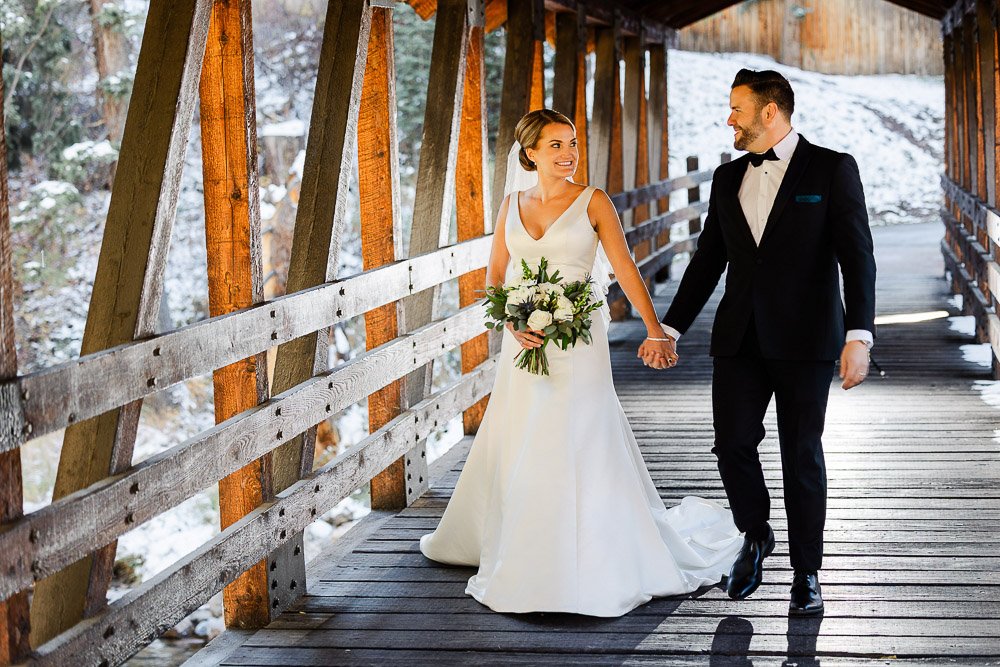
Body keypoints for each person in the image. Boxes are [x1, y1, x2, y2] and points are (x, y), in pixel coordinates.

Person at [419, 109, 743, 616]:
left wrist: (656, 329)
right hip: (525, 341)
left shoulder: (593, 201)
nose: (569, 154)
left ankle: (595, 549)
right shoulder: (511, 204)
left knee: (582, 431)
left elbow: (624, 268)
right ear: (530, 154)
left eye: (572, 144)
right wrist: (512, 322)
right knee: (526, 431)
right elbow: (497, 274)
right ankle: (524, 543)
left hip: (580, 337)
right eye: (556, 146)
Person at [657, 69, 877, 616]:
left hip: (807, 339)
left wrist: (860, 336)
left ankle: (807, 572)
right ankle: (755, 533)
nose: (728, 118)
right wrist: (670, 326)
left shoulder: (831, 168)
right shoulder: (728, 177)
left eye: (737, 108)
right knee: (731, 443)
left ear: (770, 111)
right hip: (739, 337)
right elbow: (708, 258)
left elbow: (858, 257)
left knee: (801, 454)